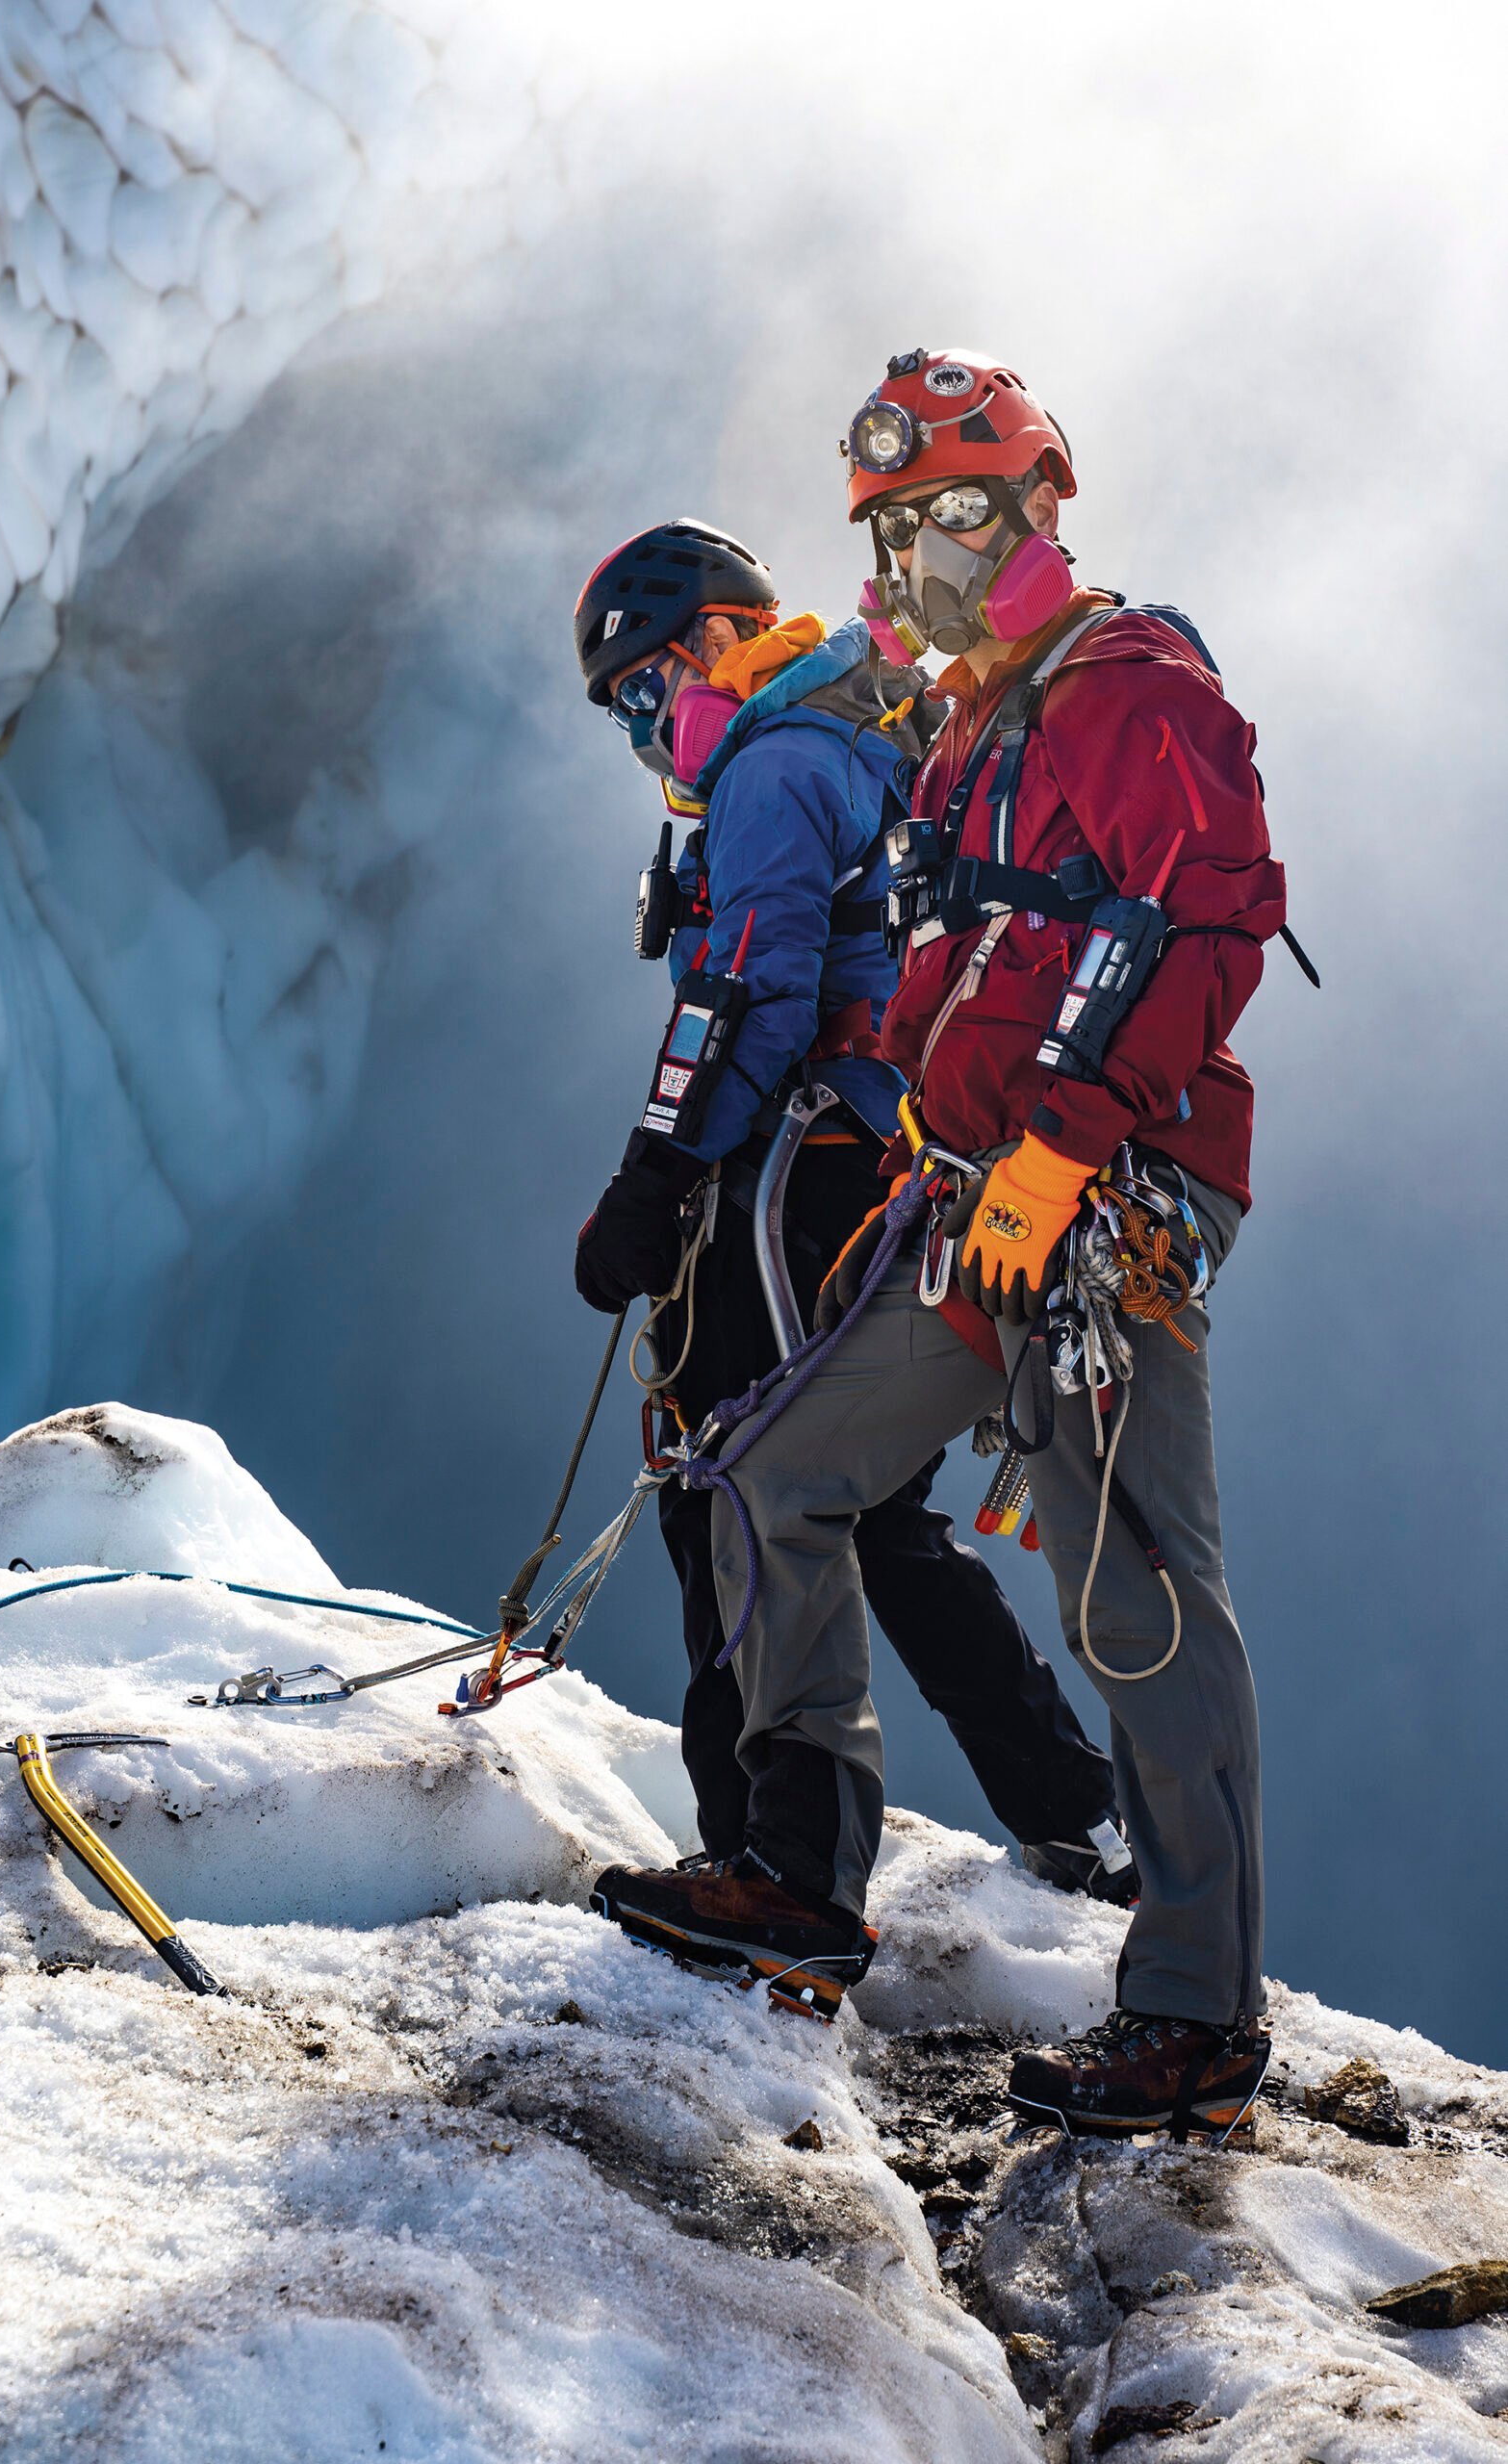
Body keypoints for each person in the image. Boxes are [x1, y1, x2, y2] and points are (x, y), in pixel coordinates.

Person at [594, 359, 1287, 2140]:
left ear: (1041, 508)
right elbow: (945, 973)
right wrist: (920, 1149)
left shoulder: (1128, 686)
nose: (922, 553)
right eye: (900, 527)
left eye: (955, 514)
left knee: (1136, 1598)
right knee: (767, 1473)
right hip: (968, 1203)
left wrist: (1058, 1147)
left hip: (1093, 1202)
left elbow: (1210, 911)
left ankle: (1197, 2020)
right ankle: (802, 1883)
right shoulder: (973, 731)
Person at [570, 518, 1136, 2005]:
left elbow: (751, 994)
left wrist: (653, 1177)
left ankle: (766, 1858)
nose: (642, 730)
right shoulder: (878, 728)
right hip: (889, 1155)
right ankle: (1075, 1812)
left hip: (792, 1165)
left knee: (726, 1478)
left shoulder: (770, 760)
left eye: (639, 692)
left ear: (703, 642)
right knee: (863, 1501)